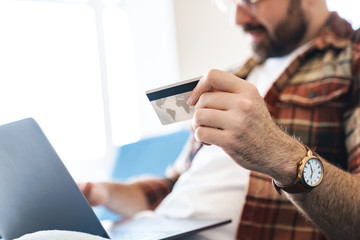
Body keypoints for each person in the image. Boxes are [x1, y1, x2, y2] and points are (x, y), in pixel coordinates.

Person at [80, 0, 360, 239]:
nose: (238, 18)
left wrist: (278, 154)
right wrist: (106, 194)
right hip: (154, 229)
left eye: (251, 0)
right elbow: (174, 185)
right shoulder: (239, 75)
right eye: (229, 3)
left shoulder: (352, 59)